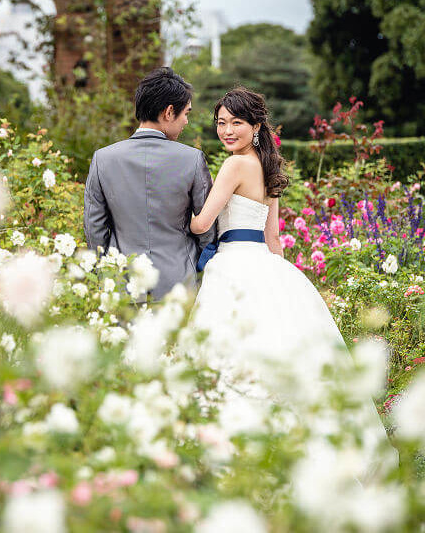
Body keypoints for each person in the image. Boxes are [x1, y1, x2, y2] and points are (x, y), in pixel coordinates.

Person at [190, 87, 395, 477]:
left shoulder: (234, 166)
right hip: (265, 265)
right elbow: (273, 239)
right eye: (221, 123)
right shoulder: (267, 166)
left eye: (236, 123)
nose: (227, 131)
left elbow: (202, 223)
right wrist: (280, 281)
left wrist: (184, 220)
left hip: (233, 266)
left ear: (255, 125)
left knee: (231, 351)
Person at [83, 67, 217, 301]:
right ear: (168, 112)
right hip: (179, 284)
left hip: (123, 285)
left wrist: (104, 274)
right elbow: (207, 226)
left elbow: (94, 230)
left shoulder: (103, 159)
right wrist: (201, 268)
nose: (186, 121)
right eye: (186, 113)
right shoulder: (192, 159)